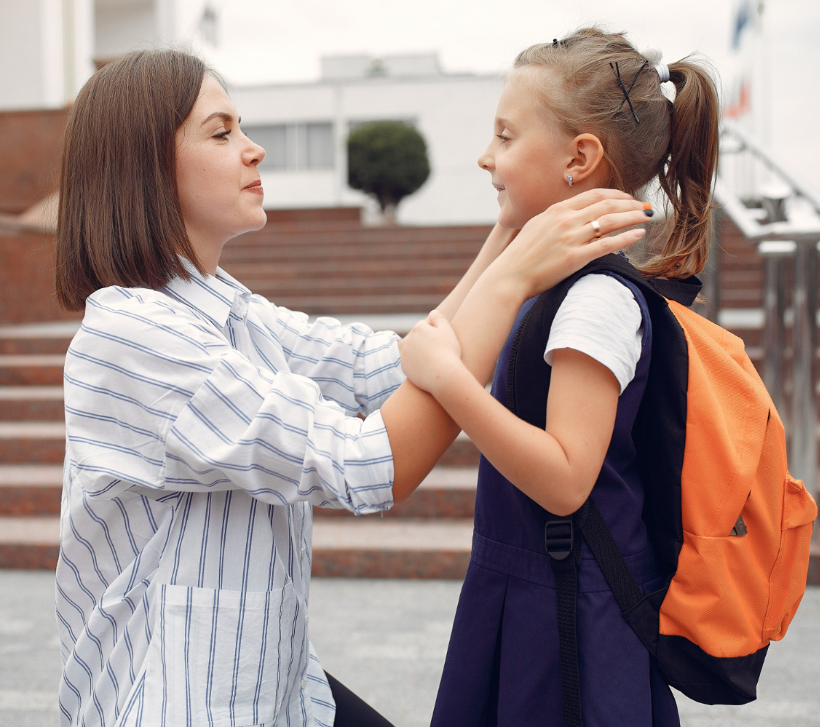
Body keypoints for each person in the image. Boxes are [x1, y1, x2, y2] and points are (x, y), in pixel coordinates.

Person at [52, 49, 651, 727]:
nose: (255, 151)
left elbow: (386, 369)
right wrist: (512, 279)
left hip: (280, 690)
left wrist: (511, 230)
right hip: (184, 703)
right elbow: (369, 462)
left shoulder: (227, 306)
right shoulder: (134, 336)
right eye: (221, 133)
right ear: (144, 168)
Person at [400, 29, 720, 727]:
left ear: (580, 157)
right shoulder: (551, 285)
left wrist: (453, 384)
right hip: (531, 593)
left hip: (569, 615)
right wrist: (508, 229)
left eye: (507, 137)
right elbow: (434, 339)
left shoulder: (595, 301)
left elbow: (567, 476)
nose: (487, 156)